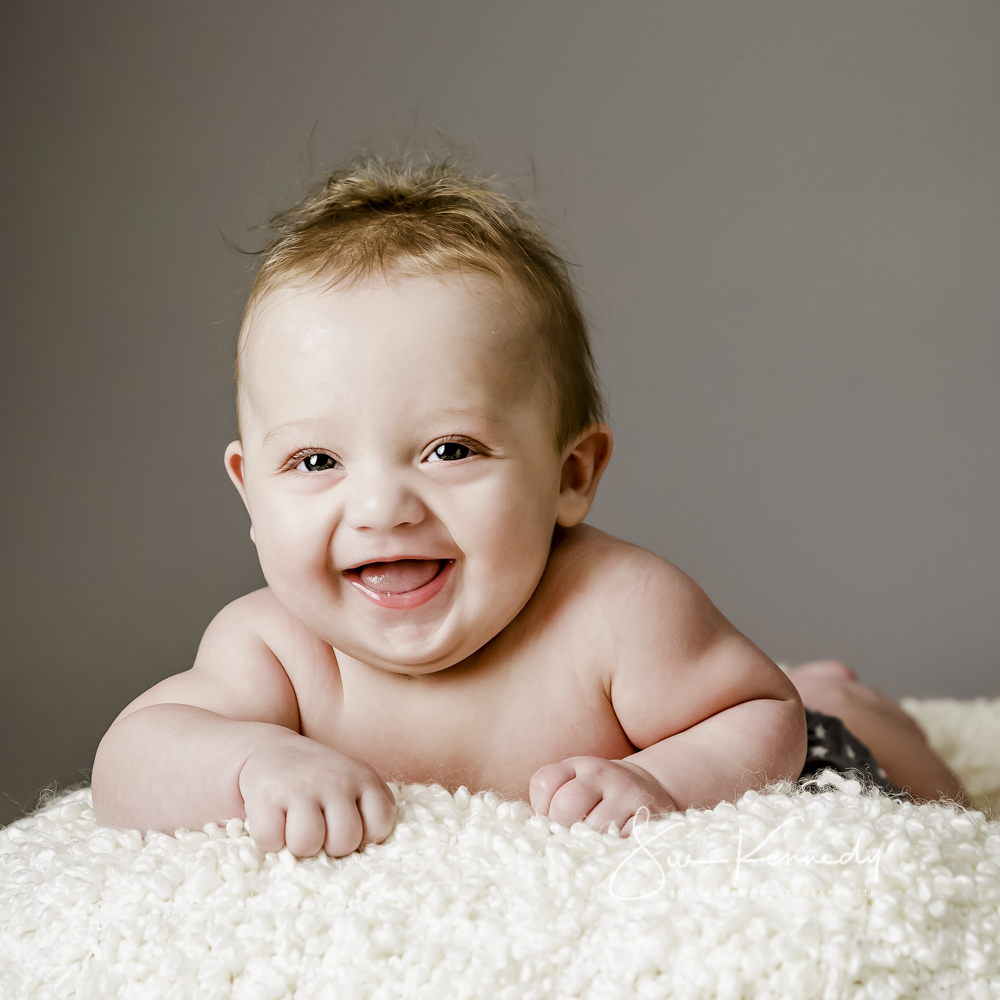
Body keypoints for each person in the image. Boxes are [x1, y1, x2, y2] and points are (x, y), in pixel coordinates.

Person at [91, 158, 970, 858]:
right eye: (315, 459)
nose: (383, 507)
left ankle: (851, 699)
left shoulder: (618, 611)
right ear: (250, 490)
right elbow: (131, 757)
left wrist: (663, 781)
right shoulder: (274, 650)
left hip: (775, 744)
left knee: (917, 781)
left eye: (450, 450)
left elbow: (757, 716)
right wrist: (254, 762)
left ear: (571, 475)